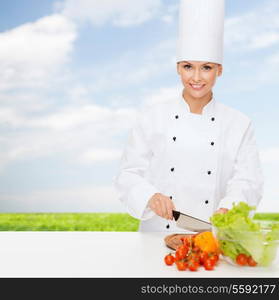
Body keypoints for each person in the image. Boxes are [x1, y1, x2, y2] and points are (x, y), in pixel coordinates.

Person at [114, 0, 263, 232]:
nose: (196, 77)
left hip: (211, 235)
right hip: (157, 236)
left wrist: (229, 208)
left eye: (206, 67)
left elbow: (248, 180)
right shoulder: (152, 117)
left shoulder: (239, 124)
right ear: (177, 68)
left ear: (219, 70)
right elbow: (128, 174)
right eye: (187, 67)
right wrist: (150, 196)